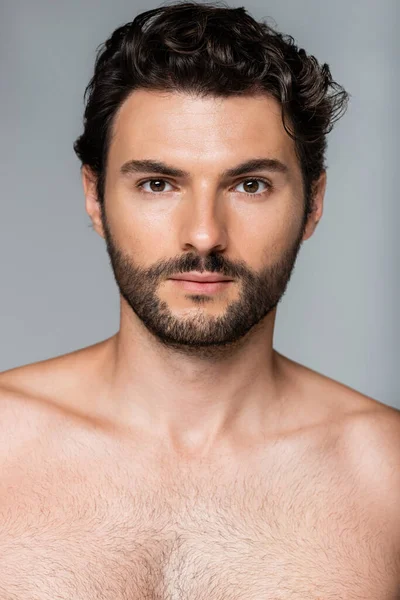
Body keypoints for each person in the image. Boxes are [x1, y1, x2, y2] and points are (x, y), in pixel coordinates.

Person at [0, 1, 399, 597]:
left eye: (250, 185)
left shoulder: (387, 479)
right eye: (158, 184)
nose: (205, 234)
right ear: (95, 196)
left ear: (312, 204)